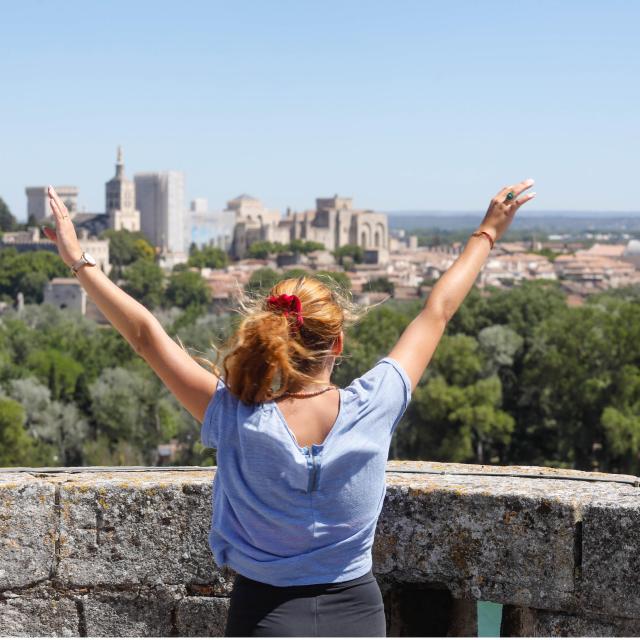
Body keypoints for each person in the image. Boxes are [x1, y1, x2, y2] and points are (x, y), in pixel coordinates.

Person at [43, 179, 535, 637]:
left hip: (263, 614)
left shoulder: (236, 419)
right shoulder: (375, 405)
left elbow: (146, 336)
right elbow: (438, 311)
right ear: (337, 343)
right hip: (358, 613)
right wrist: (487, 232)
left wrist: (79, 260)